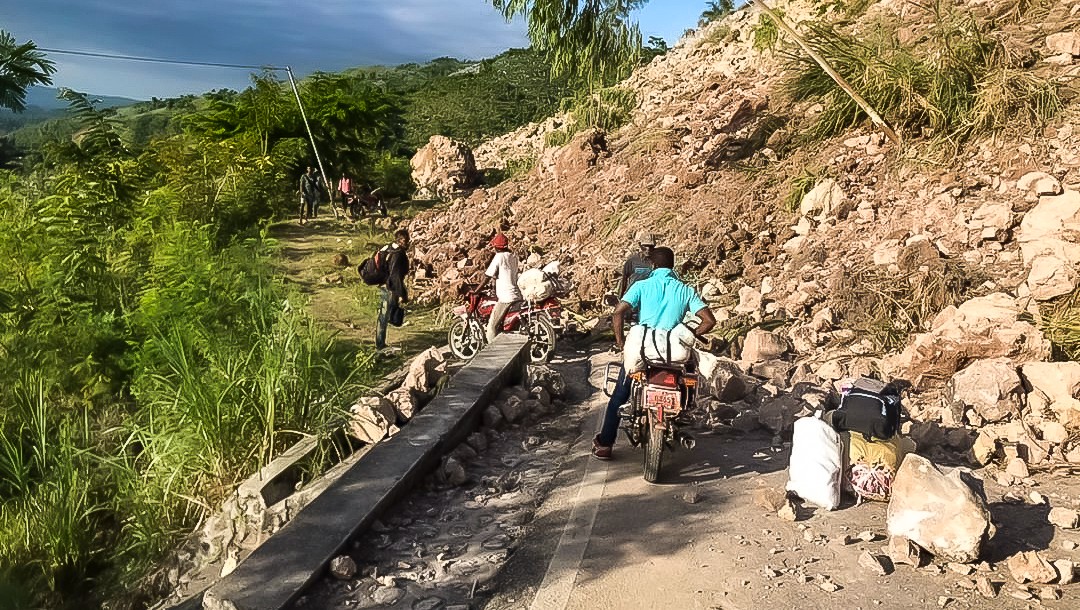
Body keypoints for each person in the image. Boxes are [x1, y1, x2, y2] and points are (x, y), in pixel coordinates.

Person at [593, 246, 716, 460]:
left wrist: (622, 342)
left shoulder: (642, 286)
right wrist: (689, 334)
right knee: (688, 378)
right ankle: (683, 410)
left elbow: (618, 312)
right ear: (672, 266)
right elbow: (709, 321)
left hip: (644, 351)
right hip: (673, 353)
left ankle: (605, 444)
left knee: (619, 396)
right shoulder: (685, 290)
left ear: (653, 265)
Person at [473, 233, 522, 343]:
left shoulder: (499, 257)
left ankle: (492, 349)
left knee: (491, 327)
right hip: (517, 295)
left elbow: (487, 276)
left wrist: (477, 291)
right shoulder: (513, 256)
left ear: (496, 246)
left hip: (506, 297)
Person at [376, 228, 411, 351]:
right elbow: (395, 275)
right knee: (385, 315)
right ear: (401, 240)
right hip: (390, 287)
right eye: (407, 240)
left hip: (384, 284)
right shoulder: (398, 254)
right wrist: (401, 293)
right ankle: (380, 345)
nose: (408, 243)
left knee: (384, 314)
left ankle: (380, 343)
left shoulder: (389, 248)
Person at [619, 231, 656, 296]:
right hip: (632, 297)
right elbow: (624, 280)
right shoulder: (632, 261)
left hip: (648, 296)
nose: (648, 249)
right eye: (645, 246)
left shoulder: (656, 262)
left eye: (651, 246)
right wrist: (620, 297)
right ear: (640, 245)